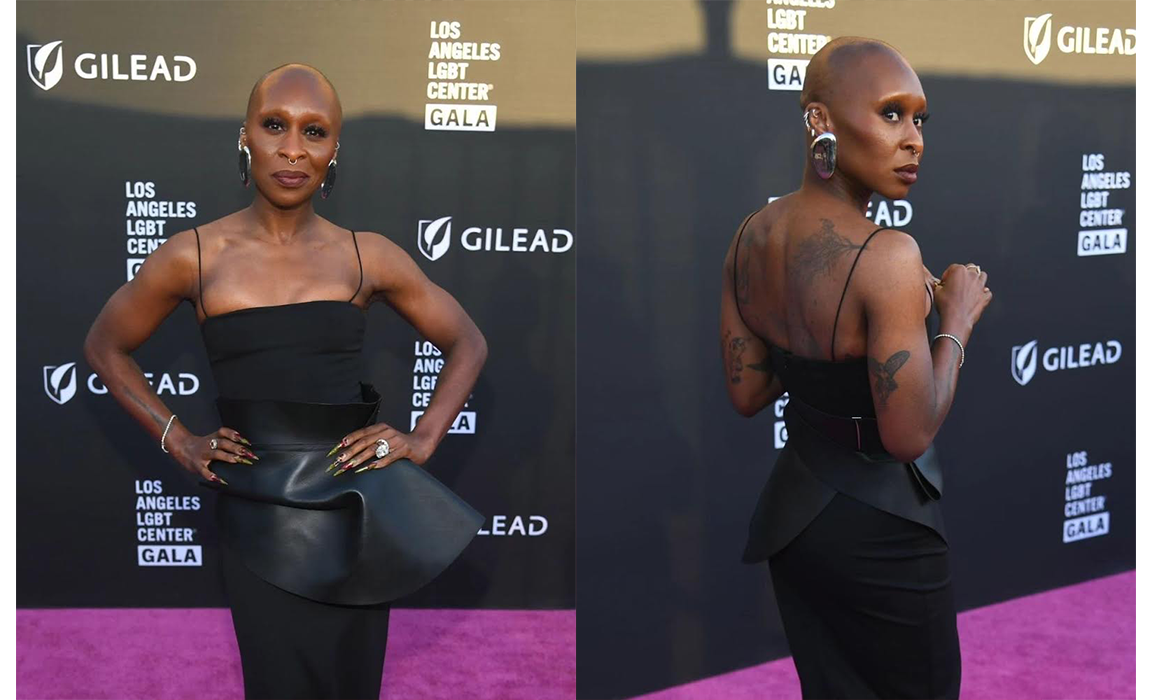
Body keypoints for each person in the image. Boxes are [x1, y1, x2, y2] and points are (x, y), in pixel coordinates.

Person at [83, 63, 488, 700]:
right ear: (244, 135)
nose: (293, 148)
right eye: (275, 125)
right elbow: (106, 346)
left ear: (335, 150)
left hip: (356, 513)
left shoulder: (367, 254)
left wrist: (423, 439)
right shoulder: (194, 254)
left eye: (314, 131)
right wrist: (179, 439)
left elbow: (467, 340)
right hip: (258, 516)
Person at [719, 38, 992, 699]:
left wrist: (837, 337)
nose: (913, 140)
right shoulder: (890, 256)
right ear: (820, 122)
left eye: (919, 118)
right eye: (891, 114)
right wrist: (955, 322)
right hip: (884, 532)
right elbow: (908, 436)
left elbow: (749, 389)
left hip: (797, 520)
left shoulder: (751, 234)